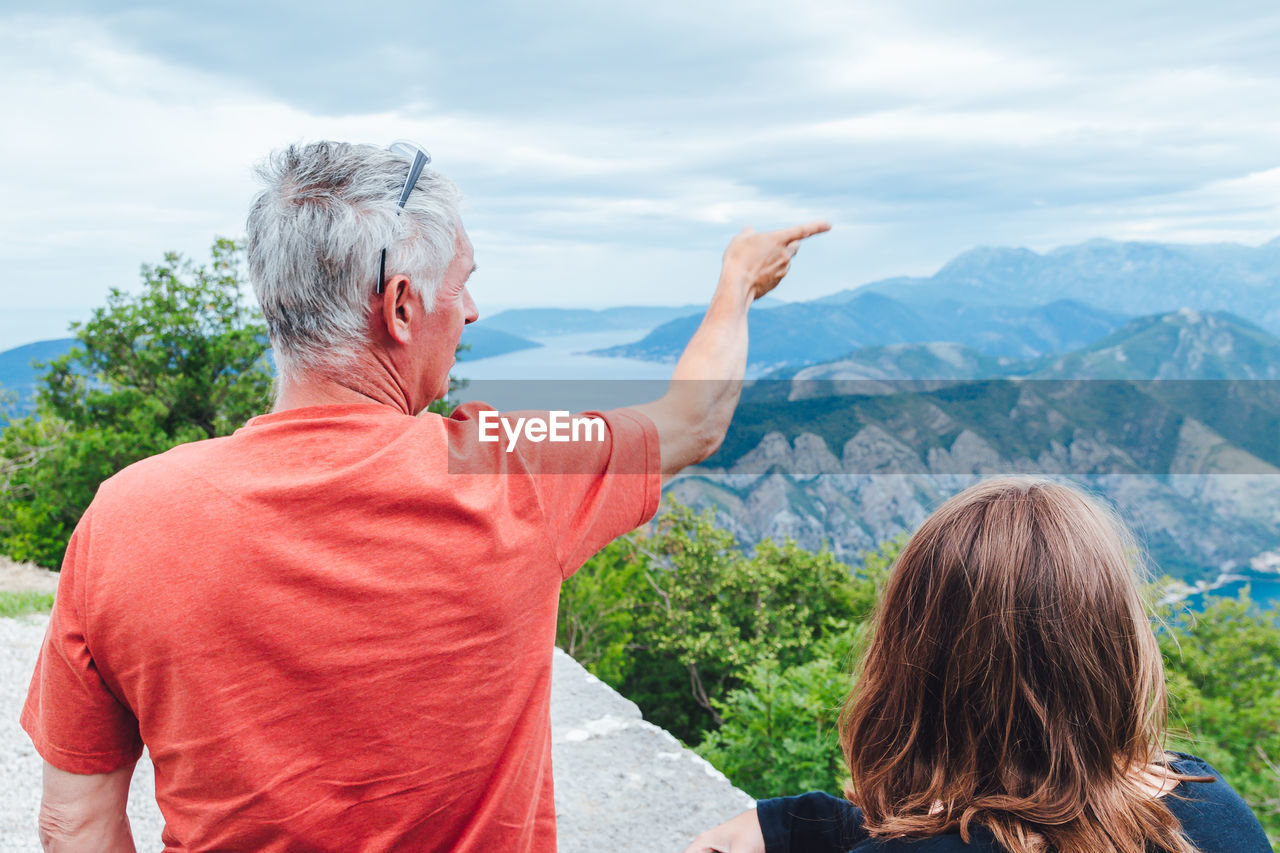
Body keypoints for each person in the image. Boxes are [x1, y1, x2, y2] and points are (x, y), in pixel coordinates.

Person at [20, 139, 829, 852]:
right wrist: (737, 282)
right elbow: (694, 419)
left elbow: (74, 823)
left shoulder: (124, 517)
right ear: (402, 307)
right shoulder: (512, 469)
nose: (471, 311)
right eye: (462, 284)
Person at [685, 478, 1271, 853]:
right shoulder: (1210, 807)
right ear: (1119, 648)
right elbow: (1029, 815)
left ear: (912, 666)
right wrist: (801, 825)